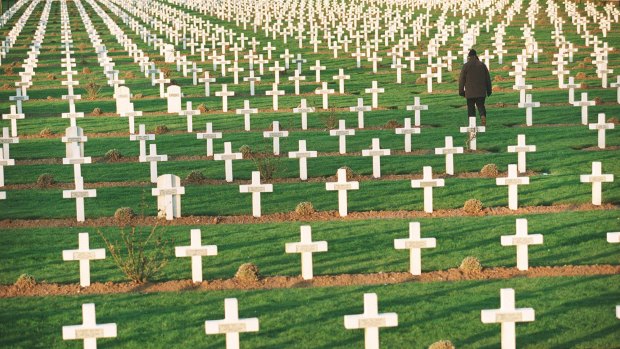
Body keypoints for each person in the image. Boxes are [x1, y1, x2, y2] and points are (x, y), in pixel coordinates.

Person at [459, 49, 492, 126]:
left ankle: (472, 124)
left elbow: (462, 79)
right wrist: (489, 90)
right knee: (480, 106)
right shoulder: (482, 65)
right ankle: (482, 116)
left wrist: (461, 91)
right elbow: (488, 79)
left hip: (470, 92)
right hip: (481, 91)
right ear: (476, 56)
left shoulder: (466, 66)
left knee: (471, 108)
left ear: (469, 57)